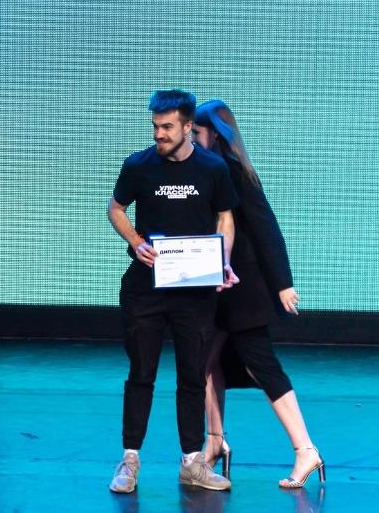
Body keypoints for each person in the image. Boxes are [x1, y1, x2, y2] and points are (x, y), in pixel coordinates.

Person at [107, 90, 240, 493]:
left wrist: (223, 262)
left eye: (167, 126)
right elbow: (115, 208)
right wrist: (135, 241)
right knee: (141, 373)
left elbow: (225, 217)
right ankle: (130, 460)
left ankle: (192, 462)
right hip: (145, 289)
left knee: (191, 376)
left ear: (187, 126)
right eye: (155, 126)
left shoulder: (213, 168)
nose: (159, 134)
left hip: (194, 290)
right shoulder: (139, 165)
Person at [192, 99, 325, 489]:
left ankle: (305, 449)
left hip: (244, 290)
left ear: (215, 134)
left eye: (197, 132)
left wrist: (283, 283)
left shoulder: (234, 171)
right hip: (214, 286)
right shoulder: (205, 171)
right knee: (205, 361)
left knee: (260, 364)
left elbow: (266, 226)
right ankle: (214, 442)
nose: (191, 139)